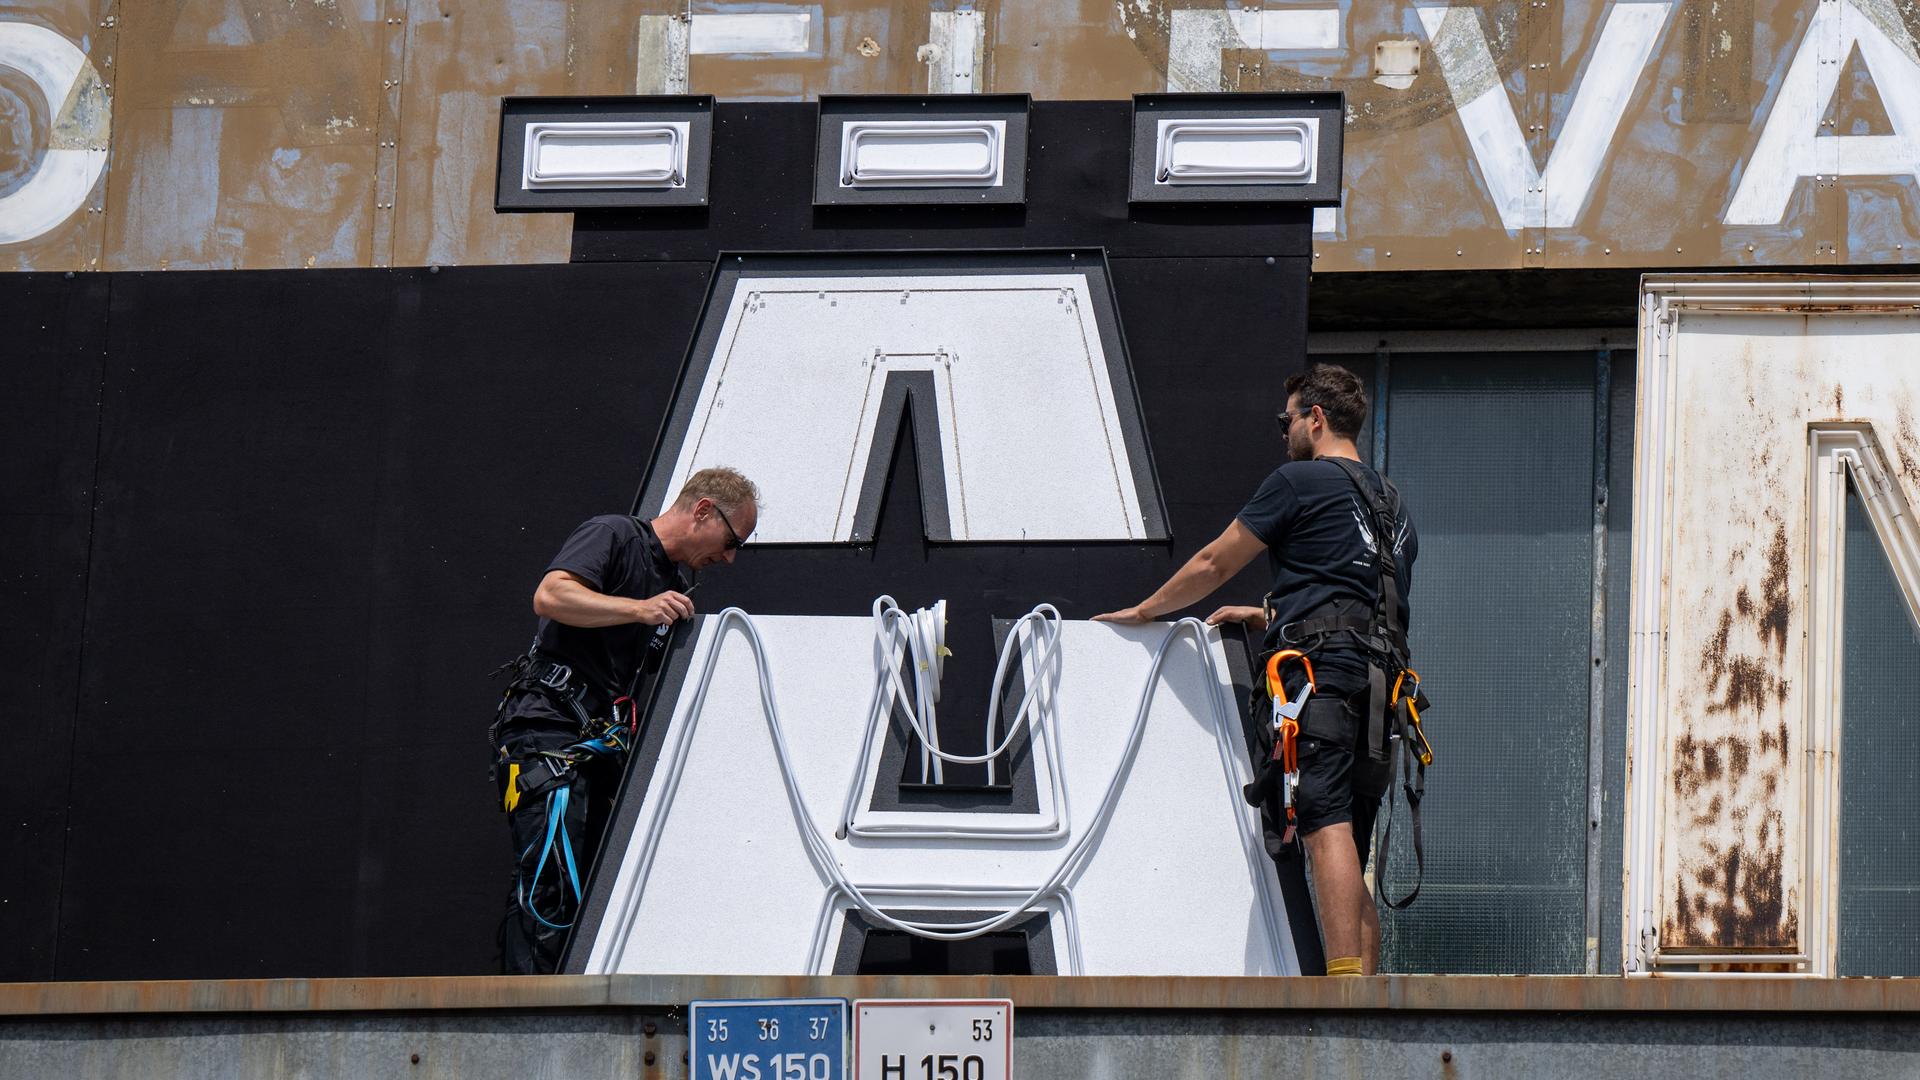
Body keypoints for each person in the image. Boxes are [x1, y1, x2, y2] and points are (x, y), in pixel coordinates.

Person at [1094, 364, 1416, 977]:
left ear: (1314, 420)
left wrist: (1145, 609)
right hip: (1382, 690)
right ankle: (1369, 1000)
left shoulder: (1298, 482)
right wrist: (1275, 611)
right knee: (1351, 840)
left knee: (1324, 827)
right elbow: (1359, 597)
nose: (1283, 432)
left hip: (1325, 680)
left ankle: (1343, 997)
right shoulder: (1393, 506)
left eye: (1286, 419)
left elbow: (1215, 561)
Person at [490, 466, 759, 974]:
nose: (729, 556)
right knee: (550, 879)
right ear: (703, 511)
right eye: (730, 540)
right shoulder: (613, 534)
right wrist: (638, 610)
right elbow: (550, 596)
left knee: (594, 889)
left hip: (599, 748)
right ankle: (530, 1019)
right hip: (548, 733)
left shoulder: (676, 583)